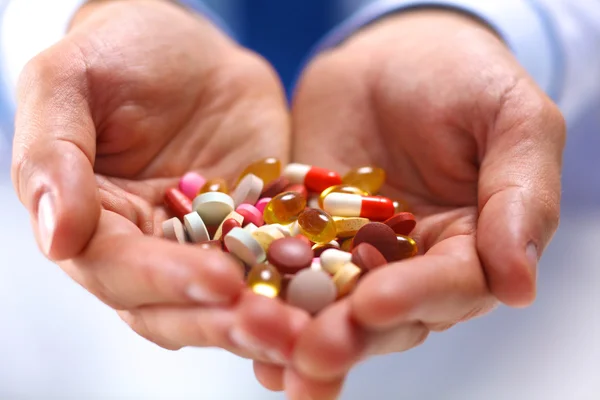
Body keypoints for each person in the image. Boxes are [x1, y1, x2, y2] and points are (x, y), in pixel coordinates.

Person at [1, 0, 599, 399]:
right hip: (108, 228)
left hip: (515, 262)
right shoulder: (237, 219)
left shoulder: (334, 220)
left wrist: (487, 21)